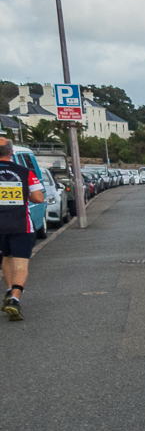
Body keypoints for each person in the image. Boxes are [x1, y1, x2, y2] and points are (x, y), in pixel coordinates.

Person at [0, 138, 45, 322]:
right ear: (11, 152)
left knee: (6, 258)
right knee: (21, 264)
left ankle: (10, 291)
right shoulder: (25, 172)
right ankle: (15, 299)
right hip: (21, 225)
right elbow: (39, 198)